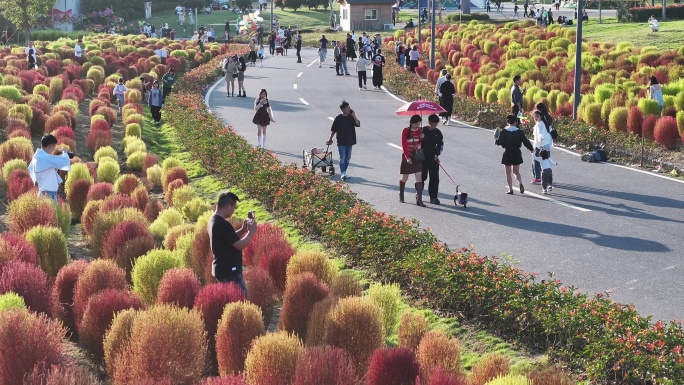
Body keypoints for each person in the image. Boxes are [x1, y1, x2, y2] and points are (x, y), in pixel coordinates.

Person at [208, 191, 257, 298]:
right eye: (233, 208)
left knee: (227, 301)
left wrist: (243, 230)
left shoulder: (213, 220)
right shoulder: (222, 224)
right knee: (241, 299)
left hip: (221, 269)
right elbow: (239, 245)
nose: (233, 211)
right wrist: (251, 232)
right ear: (227, 206)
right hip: (230, 272)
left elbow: (229, 239)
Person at [495, 114, 534, 194]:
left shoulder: (504, 131)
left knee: (508, 173)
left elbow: (499, 142)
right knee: (516, 172)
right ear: (516, 122)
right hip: (517, 152)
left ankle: (510, 189)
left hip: (508, 152)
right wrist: (531, 148)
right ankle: (520, 182)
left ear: (508, 122)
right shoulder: (519, 132)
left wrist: (496, 139)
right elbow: (525, 141)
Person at [28, 134, 72, 201]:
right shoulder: (45, 158)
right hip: (48, 195)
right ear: (50, 146)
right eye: (54, 147)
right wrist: (65, 153)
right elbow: (64, 161)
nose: (53, 150)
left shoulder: (37, 157)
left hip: (44, 193)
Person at [327, 100, 360, 180]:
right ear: (343, 109)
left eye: (349, 107)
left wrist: (354, 116)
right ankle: (343, 173)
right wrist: (330, 139)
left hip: (350, 141)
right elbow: (334, 130)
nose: (349, 109)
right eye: (347, 108)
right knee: (343, 157)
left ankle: (344, 172)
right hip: (341, 141)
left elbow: (358, 124)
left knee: (348, 158)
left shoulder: (351, 117)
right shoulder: (338, 118)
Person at [400, 115, 426, 206]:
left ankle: (419, 199)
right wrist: (407, 158)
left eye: (419, 124)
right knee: (405, 178)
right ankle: (401, 194)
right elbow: (403, 146)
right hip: (408, 156)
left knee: (419, 177)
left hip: (417, 156)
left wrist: (422, 138)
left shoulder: (420, 131)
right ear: (411, 123)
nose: (417, 126)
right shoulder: (405, 130)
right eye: (416, 124)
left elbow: (419, 144)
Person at [421, 114, 444, 204]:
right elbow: (415, 142)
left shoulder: (438, 133)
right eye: (433, 124)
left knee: (434, 177)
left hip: (433, 158)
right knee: (421, 177)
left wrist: (437, 154)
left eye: (436, 124)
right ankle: (419, 194)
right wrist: (420, 138)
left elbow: (440, 145)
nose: (434, 126)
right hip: (422, 158)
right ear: (429, 122)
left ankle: (433, 197)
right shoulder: (422, 130)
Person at [531, 107, 553, 184]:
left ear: (540, 116)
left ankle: (537, 177)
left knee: (536, 160)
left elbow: (540, 135)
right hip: (546, 145)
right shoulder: (544, 123)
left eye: (537, 116)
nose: (535, 118)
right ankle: (548, 178)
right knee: (546, 162)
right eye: (534, 116)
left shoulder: (540, 124)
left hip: (540, 146)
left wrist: (540, 145)